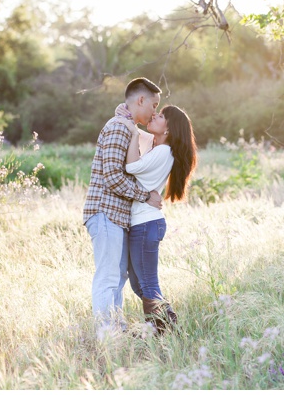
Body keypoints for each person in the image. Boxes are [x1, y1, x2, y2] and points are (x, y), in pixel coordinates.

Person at [82, 77, 164, 337]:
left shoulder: (125, 125)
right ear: (141, 100)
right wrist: (145, 196)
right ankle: (107, 335)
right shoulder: (118, 127)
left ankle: (115, 331)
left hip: (115, 216)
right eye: (154, 104)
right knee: (108, 276)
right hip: (106, 213)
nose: (154, 111)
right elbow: (113, 176)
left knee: (117, 276)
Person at [116, 104, 197, 334]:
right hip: (143, 223)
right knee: (138, 283)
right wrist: (129, 119)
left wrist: (132, 132)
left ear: (169, 129)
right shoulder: (157, 147)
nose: (154, 115)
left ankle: (162, 330)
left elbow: (131, 166)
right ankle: (168, 321)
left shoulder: (163, 151)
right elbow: (138, 131)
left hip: (145, 224)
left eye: (160, 116)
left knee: (148, 284)